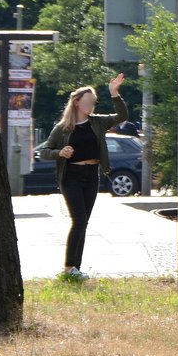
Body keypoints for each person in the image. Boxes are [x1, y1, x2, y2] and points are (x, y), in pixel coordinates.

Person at [41, 73, 129, 279]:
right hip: (71, 176)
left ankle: (75, 269)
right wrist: (59, 153)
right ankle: (69, 268)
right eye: (88, 101)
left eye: (94, 102)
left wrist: (114, 94)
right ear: (77, 102)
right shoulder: (62, 129)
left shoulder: (97, 122)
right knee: (79, 220)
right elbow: (45, 151)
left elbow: (122, 116)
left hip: (92, 175)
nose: (91, 105)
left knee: (84, 221)